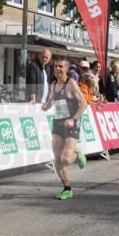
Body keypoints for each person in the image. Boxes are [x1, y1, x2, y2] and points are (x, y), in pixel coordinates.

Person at [42, 57, 88, 200]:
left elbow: (84, 104)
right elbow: (50, 100)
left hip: (71, 123)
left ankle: (78, 154)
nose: (57, 69)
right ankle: (67, 188)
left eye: (61, 67)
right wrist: (46, 106)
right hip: (57, 123)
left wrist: (73, 119)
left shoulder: (71, 84)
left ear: (67, 69)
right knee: (57, 159)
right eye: (56, 66)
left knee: (66, 159)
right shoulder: (54, 84)